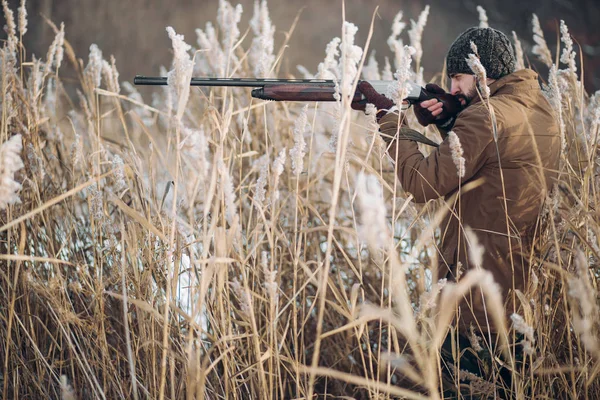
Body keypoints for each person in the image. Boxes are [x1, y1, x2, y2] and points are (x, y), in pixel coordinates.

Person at [354, 27, 561, 397]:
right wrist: (451, 121)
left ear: (480, 69)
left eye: (457, 77)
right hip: (518, 297)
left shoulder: (485, 117)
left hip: (475, 304)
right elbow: (495, 164)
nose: (451, 88)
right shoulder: (539, 109)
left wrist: (387, 118)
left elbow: (422, 184)